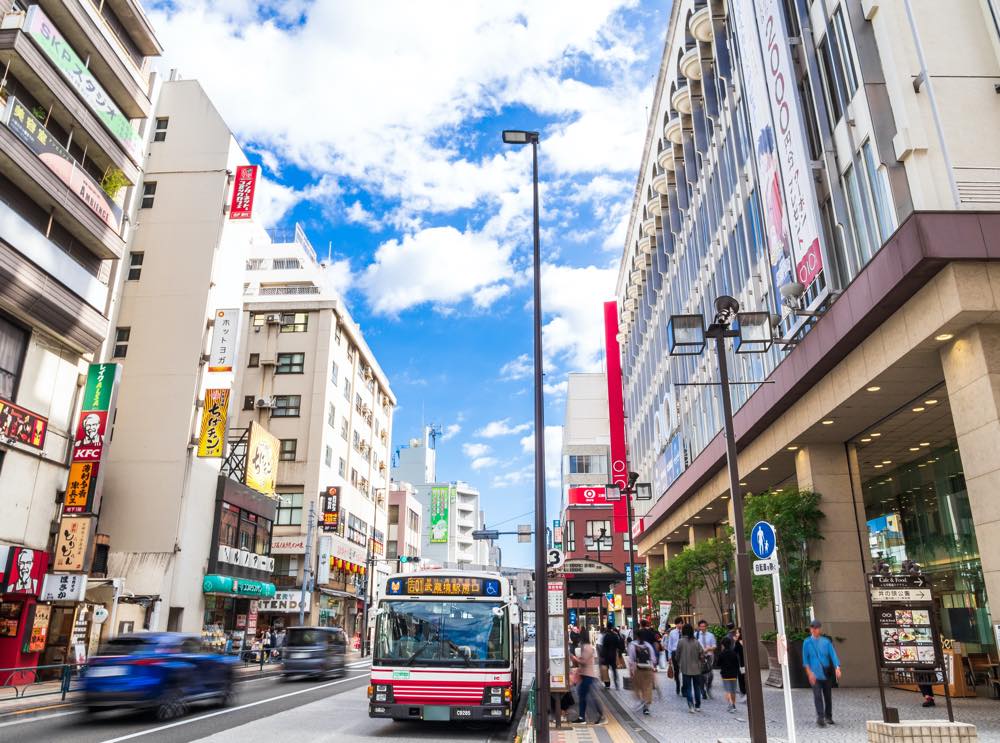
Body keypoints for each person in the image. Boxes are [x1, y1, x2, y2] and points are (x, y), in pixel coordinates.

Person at [802, 619, 842, 727]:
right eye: (812, 628)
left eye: (816, 628)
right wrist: (809, 673)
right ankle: (820, 717)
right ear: (810, 629)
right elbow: (805, 660)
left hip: (826, 673)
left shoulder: (826, 642)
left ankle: (828, 716)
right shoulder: (807, 642)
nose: (814, 630)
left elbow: (833, 655)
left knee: (827, 696)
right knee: (817, 695)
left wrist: (837, 667)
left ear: (819, 629)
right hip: (814, 675)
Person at [570, 627, 604, 724]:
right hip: (586, 675)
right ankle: (583, 717)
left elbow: (584, 662)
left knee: (586, 696)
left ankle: (596, 715)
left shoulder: (587, 647)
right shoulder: (587, 647)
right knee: (584, 696)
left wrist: (574, 658)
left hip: (588, 676)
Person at [676, 623, 705, 713]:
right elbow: (702, 653)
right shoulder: (696, 642)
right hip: (697, 668)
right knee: (697, 688)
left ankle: (691, 706)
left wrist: (679, 662)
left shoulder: (681, 641)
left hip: (685, 668)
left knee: (688, 688)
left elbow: (677, 655)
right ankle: (698, 706)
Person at [627, 630, 657, 716]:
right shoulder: (648, 645)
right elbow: (653, 659)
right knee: (647, 688)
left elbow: (631, 660)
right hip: (648, 669)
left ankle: (641, 701)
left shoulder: (632, 645)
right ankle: (646, 707)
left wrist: (631, 671)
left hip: (638, 669)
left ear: (637, 636)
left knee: (638, 687)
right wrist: (653, 669)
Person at [718, 636, 741, 713]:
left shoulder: (722, 654)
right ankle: (734, 705)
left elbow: (718, 663)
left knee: (727, 691)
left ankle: (730, 704)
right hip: (734, 674)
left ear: (723, 645)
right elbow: (737, 664)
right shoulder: (733, 653)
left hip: (725, 674)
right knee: (733, 691)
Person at [696, 620, 717, 698]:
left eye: (704, 626)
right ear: (699, 627)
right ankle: (702, 690)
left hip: (709, 656)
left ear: (706, 626)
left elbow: (714, 646)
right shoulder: (696, 635)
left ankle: (708, 687)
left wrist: (709, 649)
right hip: (700, 657)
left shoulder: (711, 635)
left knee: (710, 674)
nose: (702, 628)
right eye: (701, 626)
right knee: (701, 675)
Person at [666, 617, 683, 695]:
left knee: (684, 670)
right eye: (678, 623)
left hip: (683, 653)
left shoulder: (685, 632)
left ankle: (684, 687)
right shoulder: (672, 632)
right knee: (676, 671)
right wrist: (669, 657)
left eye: (681, 623)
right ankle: (678, 685)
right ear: (676, 624)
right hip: (674, 652)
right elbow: (670, 645)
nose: (680, 625)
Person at [733, 627, 747, 697]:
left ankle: (745, 690)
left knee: (743, 677)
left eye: (738, 633)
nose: (736, 634)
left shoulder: (740, 642)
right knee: (743, 677)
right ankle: (745, 691)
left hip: (744, 662)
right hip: (743, 663)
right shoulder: (739, 642)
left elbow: (734, 651)